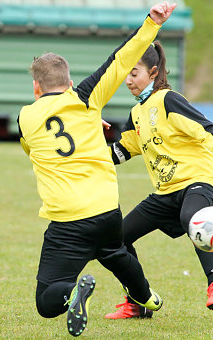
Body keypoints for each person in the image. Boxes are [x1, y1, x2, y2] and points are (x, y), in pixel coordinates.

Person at [17, 2, 176, 337]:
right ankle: (147, 298)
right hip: (105, 209)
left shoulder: (26, 117)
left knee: (47, 302)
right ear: (70, 81)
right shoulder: (86, 97)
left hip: (68, 220)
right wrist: (152, 22)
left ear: (36, 87)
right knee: (114, 251)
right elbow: (120, 58)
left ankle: (74, 293)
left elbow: (31, 147)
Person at [104, 39, 213, 319]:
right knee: (116, 239)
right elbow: (120, 152)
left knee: (196, 219)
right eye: (125, 73)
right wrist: (82, 143)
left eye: (134, 73)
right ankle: (138, 302)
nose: (128, 80)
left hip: (197, 182)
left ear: (153, 72)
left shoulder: (168, 100)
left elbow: (208, 132)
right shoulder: (137, 112)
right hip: (166, 193)